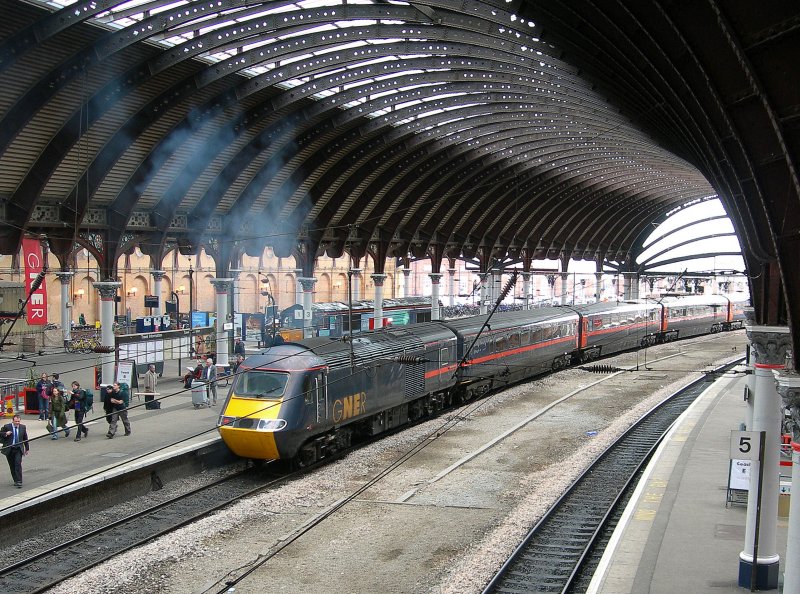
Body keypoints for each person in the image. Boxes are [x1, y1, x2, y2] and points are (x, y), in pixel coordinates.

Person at [1, 415, 30, 487]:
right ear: (12, 421)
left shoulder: (23, 427)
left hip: (18, 449)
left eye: (18, 421)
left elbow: (25, 438)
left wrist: (27, 448)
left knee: (18, 464)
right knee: (12, 465)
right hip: (9, 449)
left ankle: (19, 481)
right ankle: (15, 480)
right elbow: (0, 433)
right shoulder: (7, 426)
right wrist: (5, 433)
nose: (17, 423)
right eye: (16, 421)